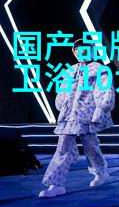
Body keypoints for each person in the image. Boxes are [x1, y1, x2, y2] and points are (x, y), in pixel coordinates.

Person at [39, 39, 114, 198]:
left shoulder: (99, 70)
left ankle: (100, 171)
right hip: (70, 116)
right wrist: (62, 105)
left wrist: (100, 110)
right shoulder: (71, 70)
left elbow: (105, 91)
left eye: (85, 50)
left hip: (88, 115)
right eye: (78, 50)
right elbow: (63, 92)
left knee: (90, 146)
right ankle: (56, 183)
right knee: (63, 146)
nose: (81, 53)